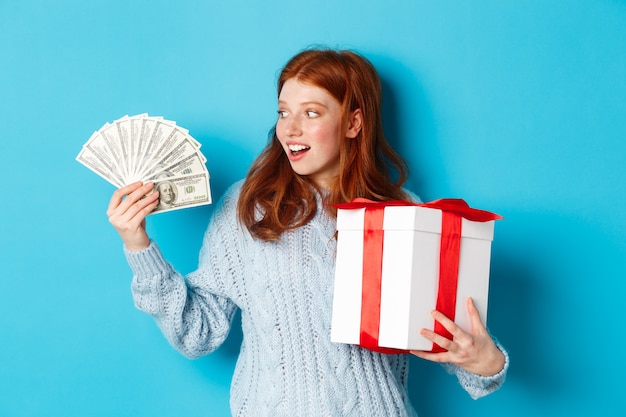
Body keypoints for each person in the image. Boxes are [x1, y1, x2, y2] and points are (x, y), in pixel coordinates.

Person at [107, 48, 508, 417]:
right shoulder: (247, 207)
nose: (290, 129)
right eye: (283, 112)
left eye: (311, 113)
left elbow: (463, 358)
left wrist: (488, 361)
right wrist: (138, 244)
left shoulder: (404, 211)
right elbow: (197, 333)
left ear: (353, 122)